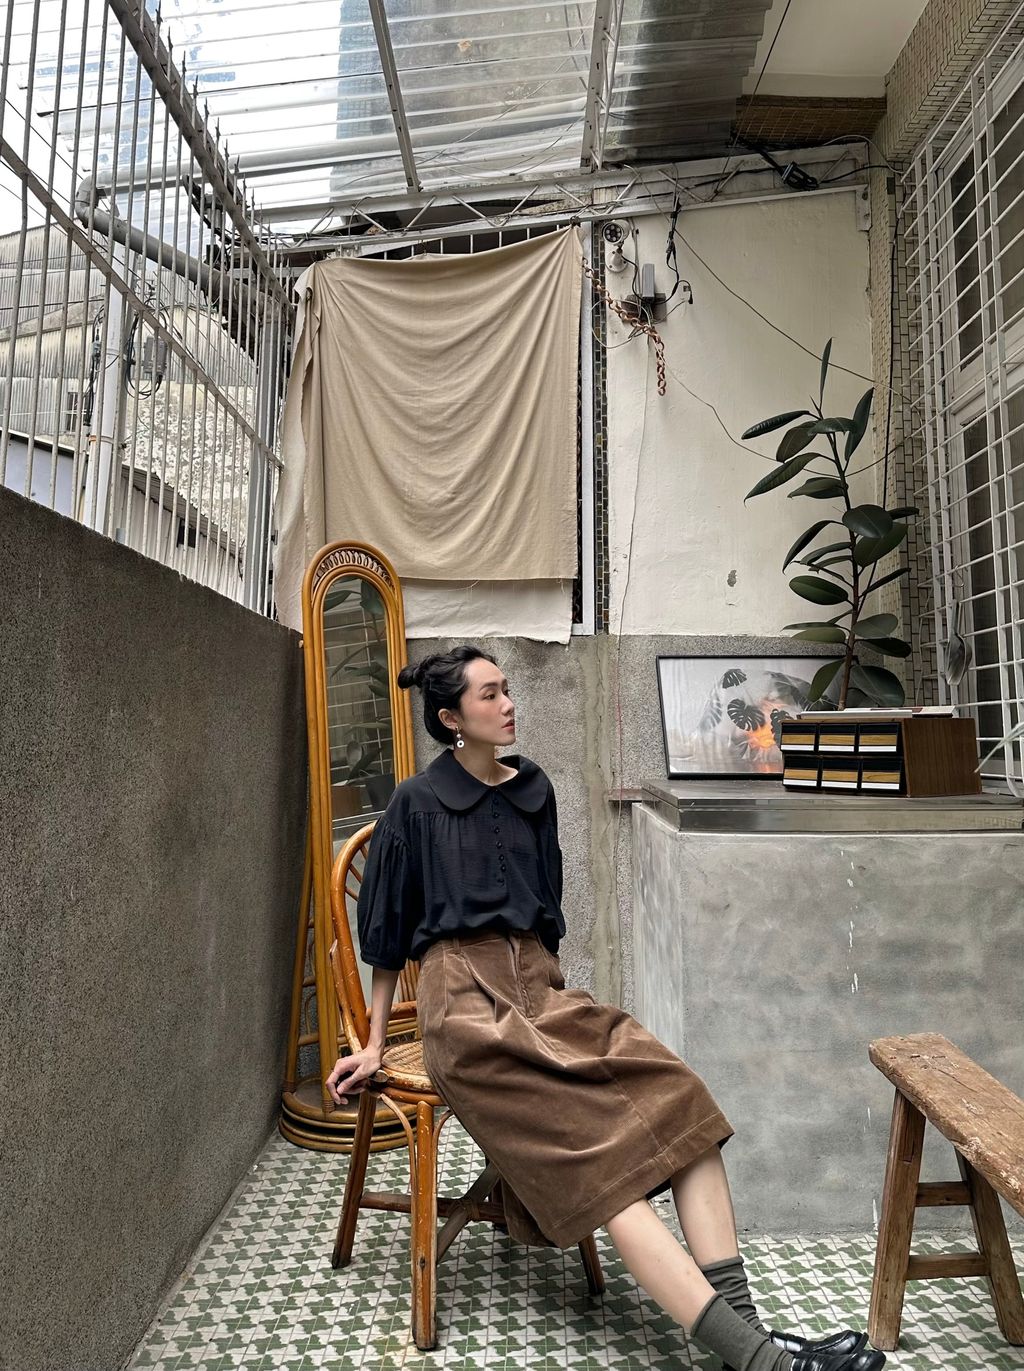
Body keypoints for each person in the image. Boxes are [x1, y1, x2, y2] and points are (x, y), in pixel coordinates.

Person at [326, 646, 884, 1371]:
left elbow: (548, 915)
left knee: (684, 1104)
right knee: (604, 1164)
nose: (508, 703)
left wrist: (548, 996)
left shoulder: (534, 789)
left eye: (507, 689)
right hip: (464, 1011)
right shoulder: (416, 802)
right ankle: (766, 1363)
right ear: (451, 717)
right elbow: (386, 939)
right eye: (490, 694)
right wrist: (372, 1044)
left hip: (542, 991)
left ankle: (747, 1346)